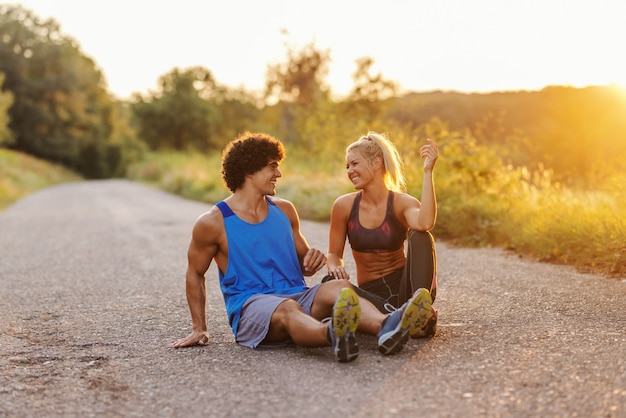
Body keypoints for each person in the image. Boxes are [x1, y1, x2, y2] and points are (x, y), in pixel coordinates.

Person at [173, 131, 434, 362]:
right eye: (272, 167)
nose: (279, 174)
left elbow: (305, 265)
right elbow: (195, 273)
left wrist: (313, 259)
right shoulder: (213, 222)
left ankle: (387, 325)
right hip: (251, 306)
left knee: (338, 287)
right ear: (250, 171)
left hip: (297, 294)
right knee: (288, 309)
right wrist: (199, 327)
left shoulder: (285, 211)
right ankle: (333, 333)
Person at [326, 131, 439, 338]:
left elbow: (425, 222)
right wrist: (335, 268)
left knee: (421, 236)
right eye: (347, 166)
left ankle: (418, 307)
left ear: (376, 163)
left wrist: (428, 172)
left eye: (355, 164)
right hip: (371, 295)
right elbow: (334, 254)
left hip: (406, 287)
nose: (350, 171)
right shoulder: (343, 206)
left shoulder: (401, 203)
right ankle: (400, 318)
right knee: (329, 283)